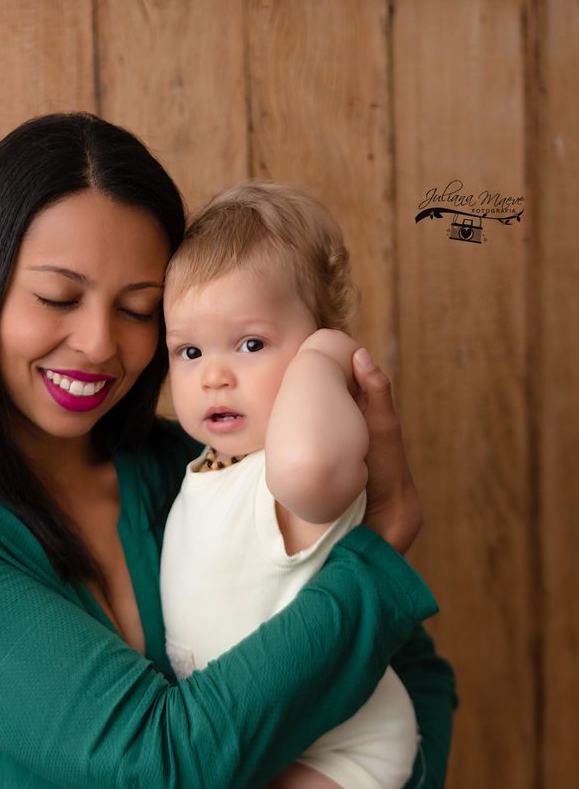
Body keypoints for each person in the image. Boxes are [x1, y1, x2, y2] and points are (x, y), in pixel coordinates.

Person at [0, 112, 456, 789]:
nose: (98, 343)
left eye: (137, 309)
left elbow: (414, 677)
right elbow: (153, 763)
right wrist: (381, 545)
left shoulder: (207, 468)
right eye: (57, 296)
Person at [161, 182, 419, 789]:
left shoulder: (291, 474)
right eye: (189, 350)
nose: (215, 376)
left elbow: (305, 466)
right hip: (271, 734)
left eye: (251, 344)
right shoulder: (209, 468)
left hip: (341, 745)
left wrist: (330, 354)